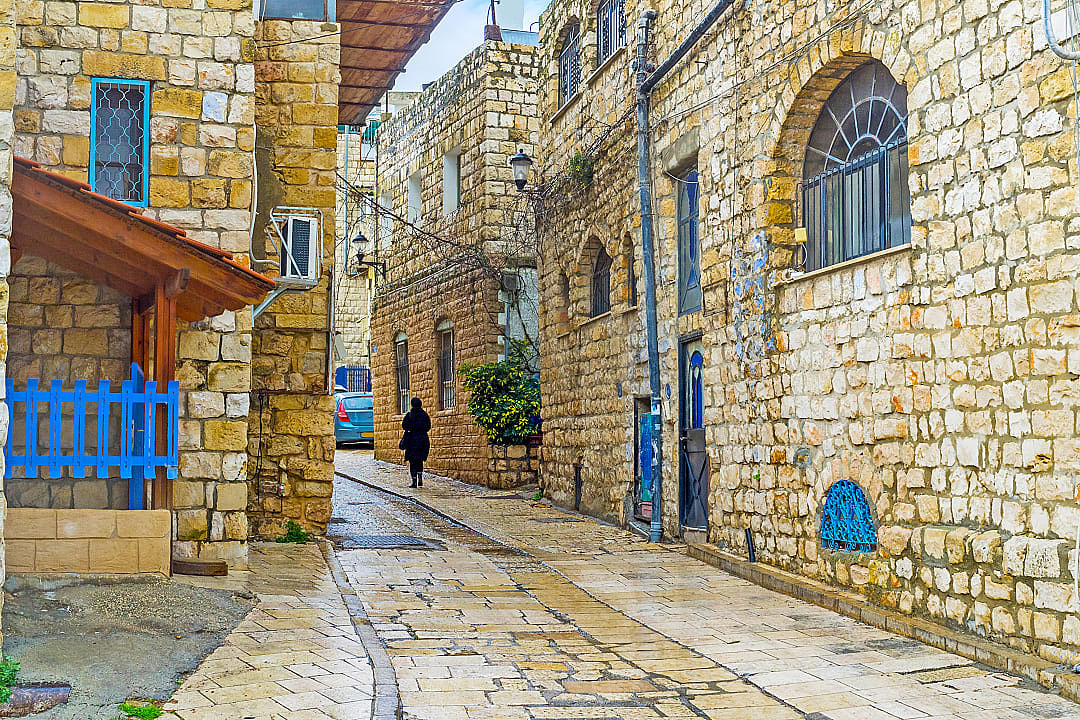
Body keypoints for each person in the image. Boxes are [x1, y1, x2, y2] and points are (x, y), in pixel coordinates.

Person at [400, 397, 431, 488]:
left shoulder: (409, 415)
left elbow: (404, 426)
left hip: (412, 440)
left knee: (412, 461)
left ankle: (414, 481)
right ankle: (420, 478)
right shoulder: (424, 415)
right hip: (423, 439)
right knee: (419, 459)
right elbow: (428, 426)